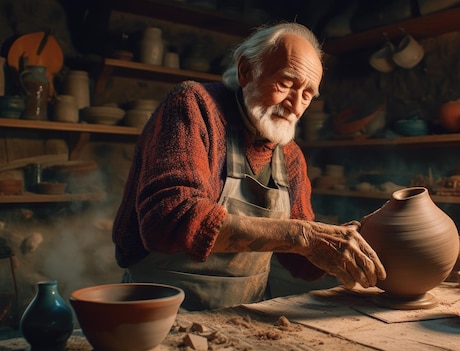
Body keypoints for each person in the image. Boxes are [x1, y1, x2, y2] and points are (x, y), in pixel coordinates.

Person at [112, 22, 386, 311]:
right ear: (246, 71)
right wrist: (303, 236)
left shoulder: (289, 155)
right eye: (287, 84)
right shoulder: (194, 106)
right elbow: (168, 220)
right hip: (158, 311)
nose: (295, 105)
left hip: (242, 317)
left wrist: (349, 242)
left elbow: (300, 260)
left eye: (307, 94)